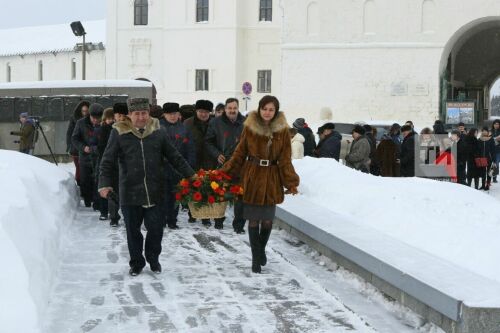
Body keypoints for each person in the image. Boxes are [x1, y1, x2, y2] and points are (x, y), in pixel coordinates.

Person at [98, 98, 195, 276]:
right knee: (133, 231)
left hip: (155, 189)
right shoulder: (119, 133)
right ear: (130, 115)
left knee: (156, 229)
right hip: (129, 191)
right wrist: (104, 184)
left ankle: (153, 259)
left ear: (148, 114)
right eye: (137, 114)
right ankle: (136, 262)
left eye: (144, 113)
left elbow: (175, 156)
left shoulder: (158, 131)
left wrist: (192, 176)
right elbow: (107, 161)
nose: (141, 117)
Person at [221, 95, 299, 274]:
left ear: (276, 111)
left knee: (267, 222)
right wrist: (225, 173)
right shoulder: (250, 127)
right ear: (260, 109)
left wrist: (291, 181)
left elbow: (285, 159)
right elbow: (239, 153)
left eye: (271, 109)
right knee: (254, 220)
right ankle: (256, 259)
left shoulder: (282, 131)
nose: (267, 112)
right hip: (253, 176)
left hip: (271, 178)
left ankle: (260, 249)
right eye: (265, 108)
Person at [205, 98, 246, 231]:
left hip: (240, 165)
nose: (232, 111)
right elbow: (208, 142)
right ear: (225, 109)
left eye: (234, 108)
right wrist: (217, 154)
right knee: (220, 192)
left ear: (238, 108)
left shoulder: (245, 123)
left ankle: (239, 225)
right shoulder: (215, 122)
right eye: (230, 108)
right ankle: (219, 220)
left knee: (240, 195)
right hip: (222, 163)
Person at [160, 102, 195, 229]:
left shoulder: (184, 128)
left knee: (176, 195)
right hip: (162, 168)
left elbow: (190, 148)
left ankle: (172, 220)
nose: (173, 116)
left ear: (179, 114)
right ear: (164, 114)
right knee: (162, 195)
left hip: (178, 168)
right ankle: (162, 219)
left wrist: (189, 166)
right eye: (170, 114)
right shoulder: (158, 127)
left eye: (175, 114)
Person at [184, 100, 216, 226]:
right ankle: (192, 213)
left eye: (206, 112)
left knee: (208, 188)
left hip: (209, 160)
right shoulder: (188, 123)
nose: (203, 114)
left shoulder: (214, 123)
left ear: (210, 112)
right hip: (193, 159)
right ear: (196, 111)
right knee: (193, 187)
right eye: (201, 111)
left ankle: (206, 216)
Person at [72, 103, 103, 209]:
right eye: (93, 118)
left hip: (99, 157)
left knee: (97, 180)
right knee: (85, 180)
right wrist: (83, 147)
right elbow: (74, 138)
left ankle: (97, 201)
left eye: (97, 119)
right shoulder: (81, 123)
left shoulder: (103, 124)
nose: (95, 121)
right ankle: (87, 199)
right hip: (85, 157)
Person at [96, 108, 120, 226]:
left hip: (116, 163)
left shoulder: (117, 130)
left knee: (114, 191)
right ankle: (107, 213)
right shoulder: (102, 130)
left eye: (112, 118)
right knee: (107, 190)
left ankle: (114, 215)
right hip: (106, 162)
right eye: (109, 118)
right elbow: (99, 147)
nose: (111, 120)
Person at [66, 101, 90, 186]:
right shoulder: (75, 119)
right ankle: (80, 184)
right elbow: (70, 133)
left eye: (86, 111)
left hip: (87, 148)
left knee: (85, 169)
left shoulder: (91, 120)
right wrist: (69, 146)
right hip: (76, 148)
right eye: (83, 111)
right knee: (79, 167)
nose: (85, 113)